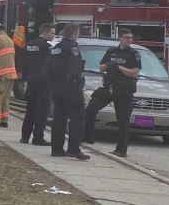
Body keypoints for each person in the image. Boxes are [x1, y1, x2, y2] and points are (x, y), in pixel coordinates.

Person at [83, 28, 141, 157]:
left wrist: (120, 68)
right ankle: (87, 137)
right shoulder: (111, 51)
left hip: (124, 90)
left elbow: (135, 72)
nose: (129, 40)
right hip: (109, 87)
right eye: (126, 37)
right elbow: (101, 67)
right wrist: (109, 65)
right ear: (120, 38)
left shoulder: (133, 54)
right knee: (90, 109)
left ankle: (121, 150)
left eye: (131, 38)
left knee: (123, 121)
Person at [47, 23, 91, 160]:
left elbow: (47, 68)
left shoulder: (56, 48)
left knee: (59, 118)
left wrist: (53, 84)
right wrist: (74, 84)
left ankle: (57, 149)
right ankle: (74, 149)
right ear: (74, 34)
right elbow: (74, 67)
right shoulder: (73, 47)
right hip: (71, 88)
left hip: (57, 88)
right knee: (77, 118)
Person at [19, 23, 55, 146]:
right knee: (42, 112)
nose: (53, 36)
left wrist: (25, 77)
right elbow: (50, 65)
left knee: (30, 110)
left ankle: (25, 136)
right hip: (43, 84)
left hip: (31, 82)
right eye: (52, 33)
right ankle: (38, 137)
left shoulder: (29, 45)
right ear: (44, 32)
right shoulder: (47, 47)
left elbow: (23, 63)